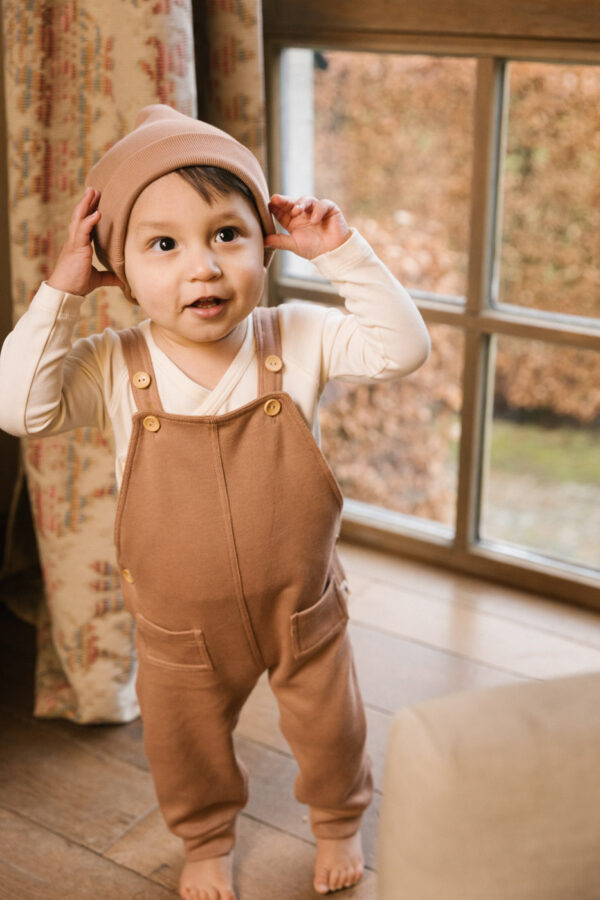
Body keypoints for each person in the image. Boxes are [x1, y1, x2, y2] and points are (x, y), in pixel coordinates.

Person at [0, 105, 430, 899]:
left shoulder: (294, 335)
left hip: (301, 607)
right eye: (164, 244)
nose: (202, 267)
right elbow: (19, 407)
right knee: (185, 744)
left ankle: (337, 820)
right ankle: (205, 839)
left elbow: (402, 349)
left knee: (333, 728)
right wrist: (61, 291)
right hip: (179, 624)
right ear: (117, 268)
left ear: (264, 242)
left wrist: (345, 253)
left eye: (226, 235)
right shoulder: (112, 365)